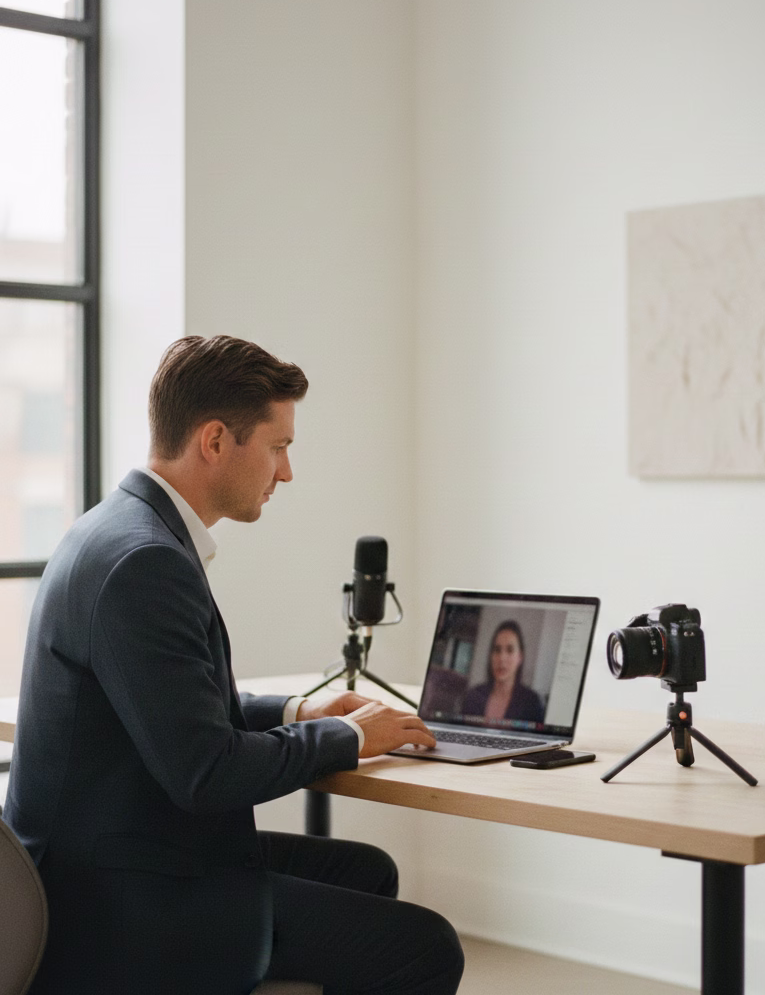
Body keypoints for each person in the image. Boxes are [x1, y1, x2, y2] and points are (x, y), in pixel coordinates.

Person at [4, 335, 464, 995]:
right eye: (278, 447)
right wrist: (349, 736)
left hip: (110, 860)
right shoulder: (146, 562)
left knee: (367, 871)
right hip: (117, 906)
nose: (287, 472)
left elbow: (173, 707)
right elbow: (206, 772)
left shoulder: (115, 529)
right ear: (216, 441)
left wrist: (300, 710)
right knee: (427, 946)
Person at [461, 621, 545, 724]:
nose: (502, 658)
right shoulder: (473, 697)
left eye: (510, 650)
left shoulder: (532, 703)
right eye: (497, 650)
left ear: (520, 657)